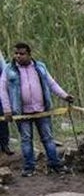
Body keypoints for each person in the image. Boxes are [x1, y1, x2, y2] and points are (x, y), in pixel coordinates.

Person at [1, 43, 74, 177]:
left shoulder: (40, 67)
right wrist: (7, 110)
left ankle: (55, 165)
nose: (18, 56)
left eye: (21, 54)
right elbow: (3, 91)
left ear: (29, 54)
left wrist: (65, 96)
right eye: (16, 53)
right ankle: (29, 168)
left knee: (48, 138)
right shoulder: (8, 70)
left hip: (42, 111)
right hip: (22, 113)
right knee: (26, 139)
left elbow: (51, 83)